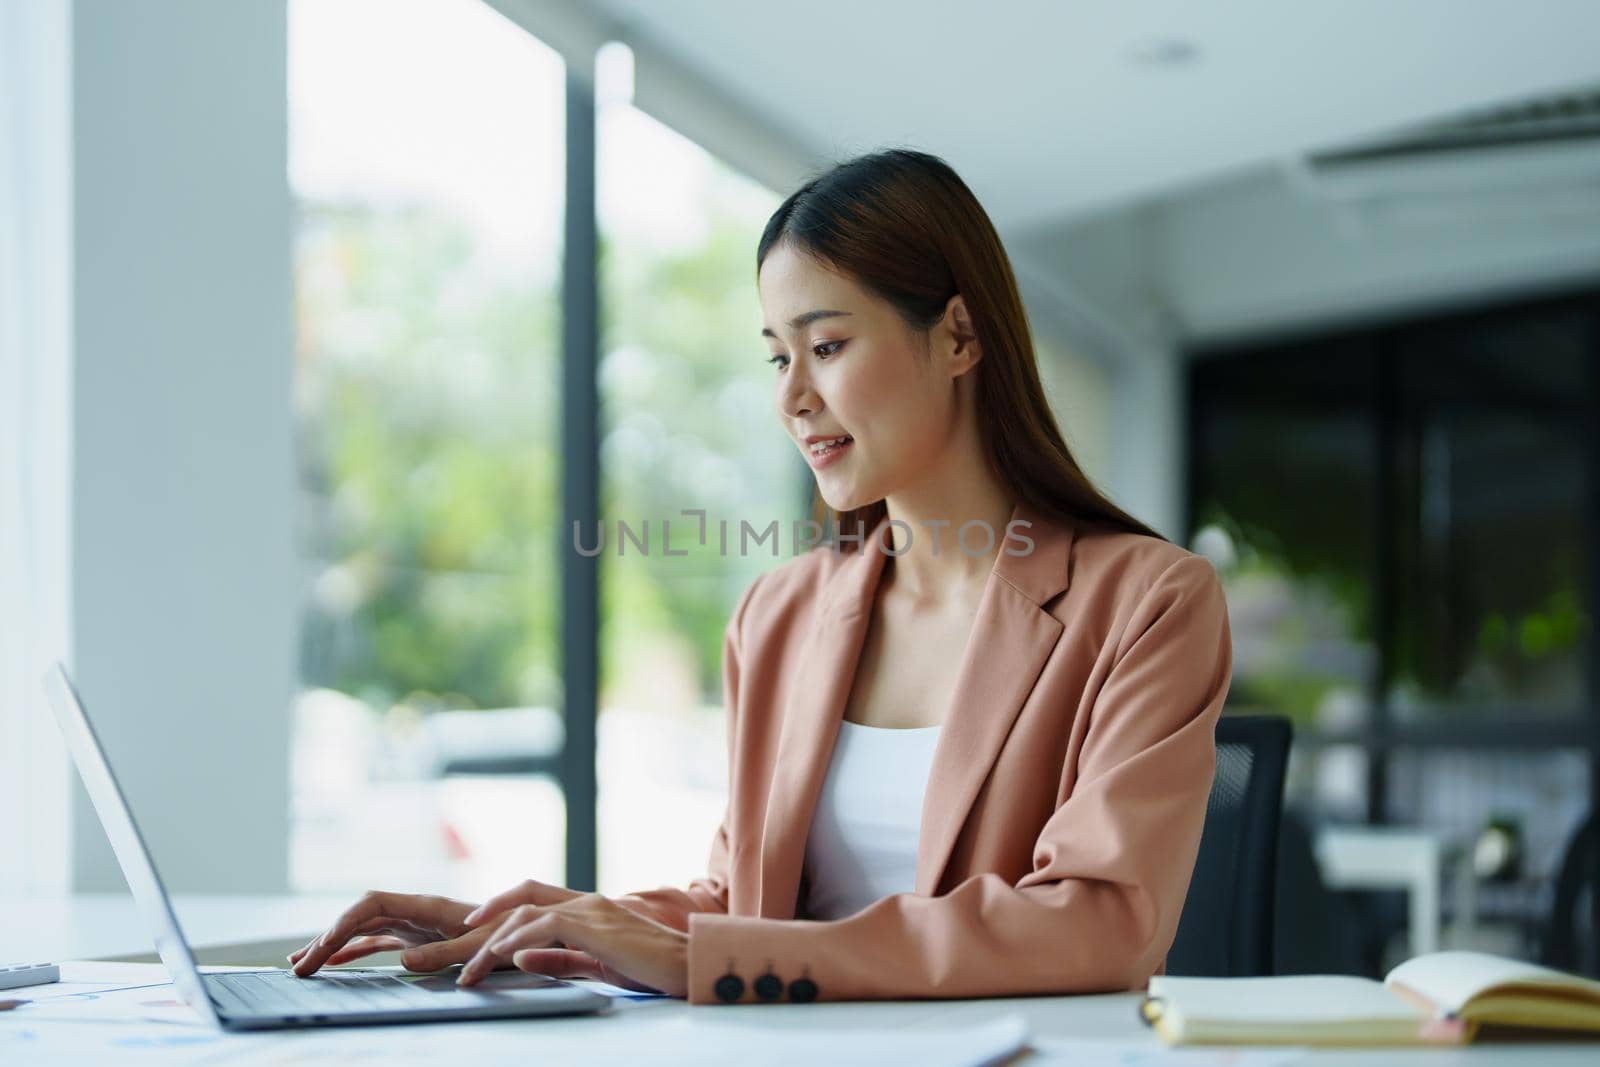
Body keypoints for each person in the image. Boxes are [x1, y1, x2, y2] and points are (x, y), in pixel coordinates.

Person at [290, 148, 1233, 1005]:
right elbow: (744, 901)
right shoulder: (779, 614)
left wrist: (718, 959)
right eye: (778, 356)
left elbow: (1099, 922)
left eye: (826, 347)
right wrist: (536, 922)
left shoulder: (1147, 601)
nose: (791, 397)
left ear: (958, 336)